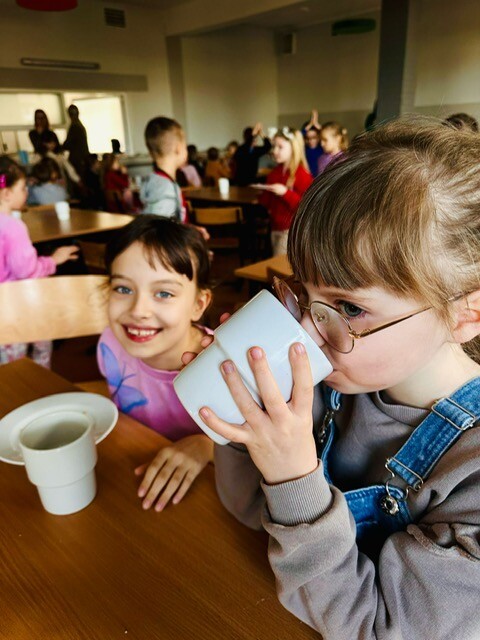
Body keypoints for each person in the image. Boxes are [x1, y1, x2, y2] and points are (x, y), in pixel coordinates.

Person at [192, 118, 480, 639]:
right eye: (304, 294)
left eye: (348, 307)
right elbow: (251, 514)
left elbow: (377, 627)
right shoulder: (335, 389)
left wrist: (294, 479)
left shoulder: (470, 474)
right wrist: (248, 416)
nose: (307, 331)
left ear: (466, 313)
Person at [97, 215, 214, 511]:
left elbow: (260, 448)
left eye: (164, 293)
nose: (139, 311)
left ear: (198, 304)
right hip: (126, 478)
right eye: (123, 289)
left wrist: (208, 446)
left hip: (199, 498)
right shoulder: (110, 344)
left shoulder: (224, 368)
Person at [0, 156, 79, 366]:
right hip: (14, 306)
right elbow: (26, 271)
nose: (27, 192)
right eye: (22, 188)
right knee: (32, 351)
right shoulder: (13, 227)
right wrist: (53, 260)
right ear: (6, 194)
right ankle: (39, 382)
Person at [140, 116, 209, 240]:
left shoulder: (155, 180)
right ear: (178, 148)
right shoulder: (165, 187)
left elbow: (170, 222)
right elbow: (160, 232)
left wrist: (189, 230)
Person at [255, 127, 312, 256]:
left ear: (293, 148)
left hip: (291, 230)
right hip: (275, 227)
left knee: (280, 264)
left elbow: (306, 208)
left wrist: (285, 193)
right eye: (274, 146)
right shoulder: (274, 173)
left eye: (280, 147)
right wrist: (262, 192)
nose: (274, 151)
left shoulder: (302, 175)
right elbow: (267, 203)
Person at [42, 129, 81, 196]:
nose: (52, 145)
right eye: (49, 142)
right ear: (43, 143)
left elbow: (70, 169)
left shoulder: (59, 155)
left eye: (54, 142)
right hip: (45, 184)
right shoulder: (40, 156)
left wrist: (78, 180)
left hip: (60, 182)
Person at [63, 104, 90, 179]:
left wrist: (59, 147)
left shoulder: (75, 126)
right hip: (81, 159)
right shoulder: (79, 125)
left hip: (78, 160)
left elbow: (68, 144)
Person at [302, 110, 323, 177]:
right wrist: (310, 124)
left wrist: (316, 124)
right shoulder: (305, 149)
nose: (310, 141)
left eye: (314, 137)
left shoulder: (322, 148)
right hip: (308, 178)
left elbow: (326, 133)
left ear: (319, 137)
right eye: (308, 138)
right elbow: (300, 136)